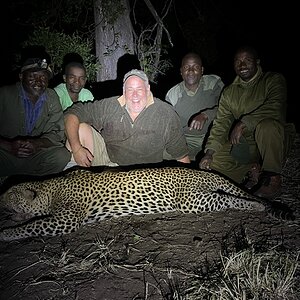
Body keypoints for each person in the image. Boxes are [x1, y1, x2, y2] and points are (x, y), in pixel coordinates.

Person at [199, 45, 296, 199]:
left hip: (273, 139)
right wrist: (209, 152)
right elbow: (221, 123)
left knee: (267, 126)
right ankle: (251, 170)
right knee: (214, 162)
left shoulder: (273, 80)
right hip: (247, 144)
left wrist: (243, 123)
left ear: (257, 62)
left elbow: (275, 107)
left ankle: (272, 178)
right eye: (238, 61)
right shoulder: (229, 92)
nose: (242, 65)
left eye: (247, 60)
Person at [64, 69, 190, 168]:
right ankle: (77, 189)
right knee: (79, 129)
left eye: (139, 89)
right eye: (130, 89)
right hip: (110, 166)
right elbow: (71, 113)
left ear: (147, 90)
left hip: (148, 174)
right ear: (124, 91)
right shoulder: (110, 105)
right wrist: (77, 149)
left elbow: (182, 156)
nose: (135, 95)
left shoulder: (166, 113)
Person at [0, 56, 71, 177]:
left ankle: (32, 183)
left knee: (62, 156)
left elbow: (56, 132)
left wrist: (37, 144)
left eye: (43, 77)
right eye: (32, 76)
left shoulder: (51, 97)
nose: (38, 81)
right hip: (6, 153)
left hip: (34, 154)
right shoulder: (4, 94)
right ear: (21, 76)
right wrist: (9, 146)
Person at [165, 52, 224, 161]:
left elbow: (226, 110)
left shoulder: (214, 83)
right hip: (187, 140)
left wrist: (205, 115)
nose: (191, 71)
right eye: (187, 67)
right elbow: (170, 126)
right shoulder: (172, 94)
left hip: (212, 136)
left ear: (202, 70)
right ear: (181, 72)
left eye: (195, 67)